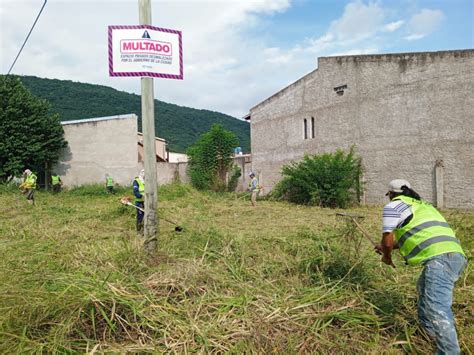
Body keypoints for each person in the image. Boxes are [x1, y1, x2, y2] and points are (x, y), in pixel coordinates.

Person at [376, 179, 467, 354]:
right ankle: (429, 333)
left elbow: (388, 238)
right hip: (454, 254)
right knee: (423, 289)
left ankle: (449, 351)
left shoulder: (393, 206)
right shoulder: (423, 205)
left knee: (437, 308)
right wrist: (386, 247)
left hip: (439, 259)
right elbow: (418, 234)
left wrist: (386, 255)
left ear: (391, 194)